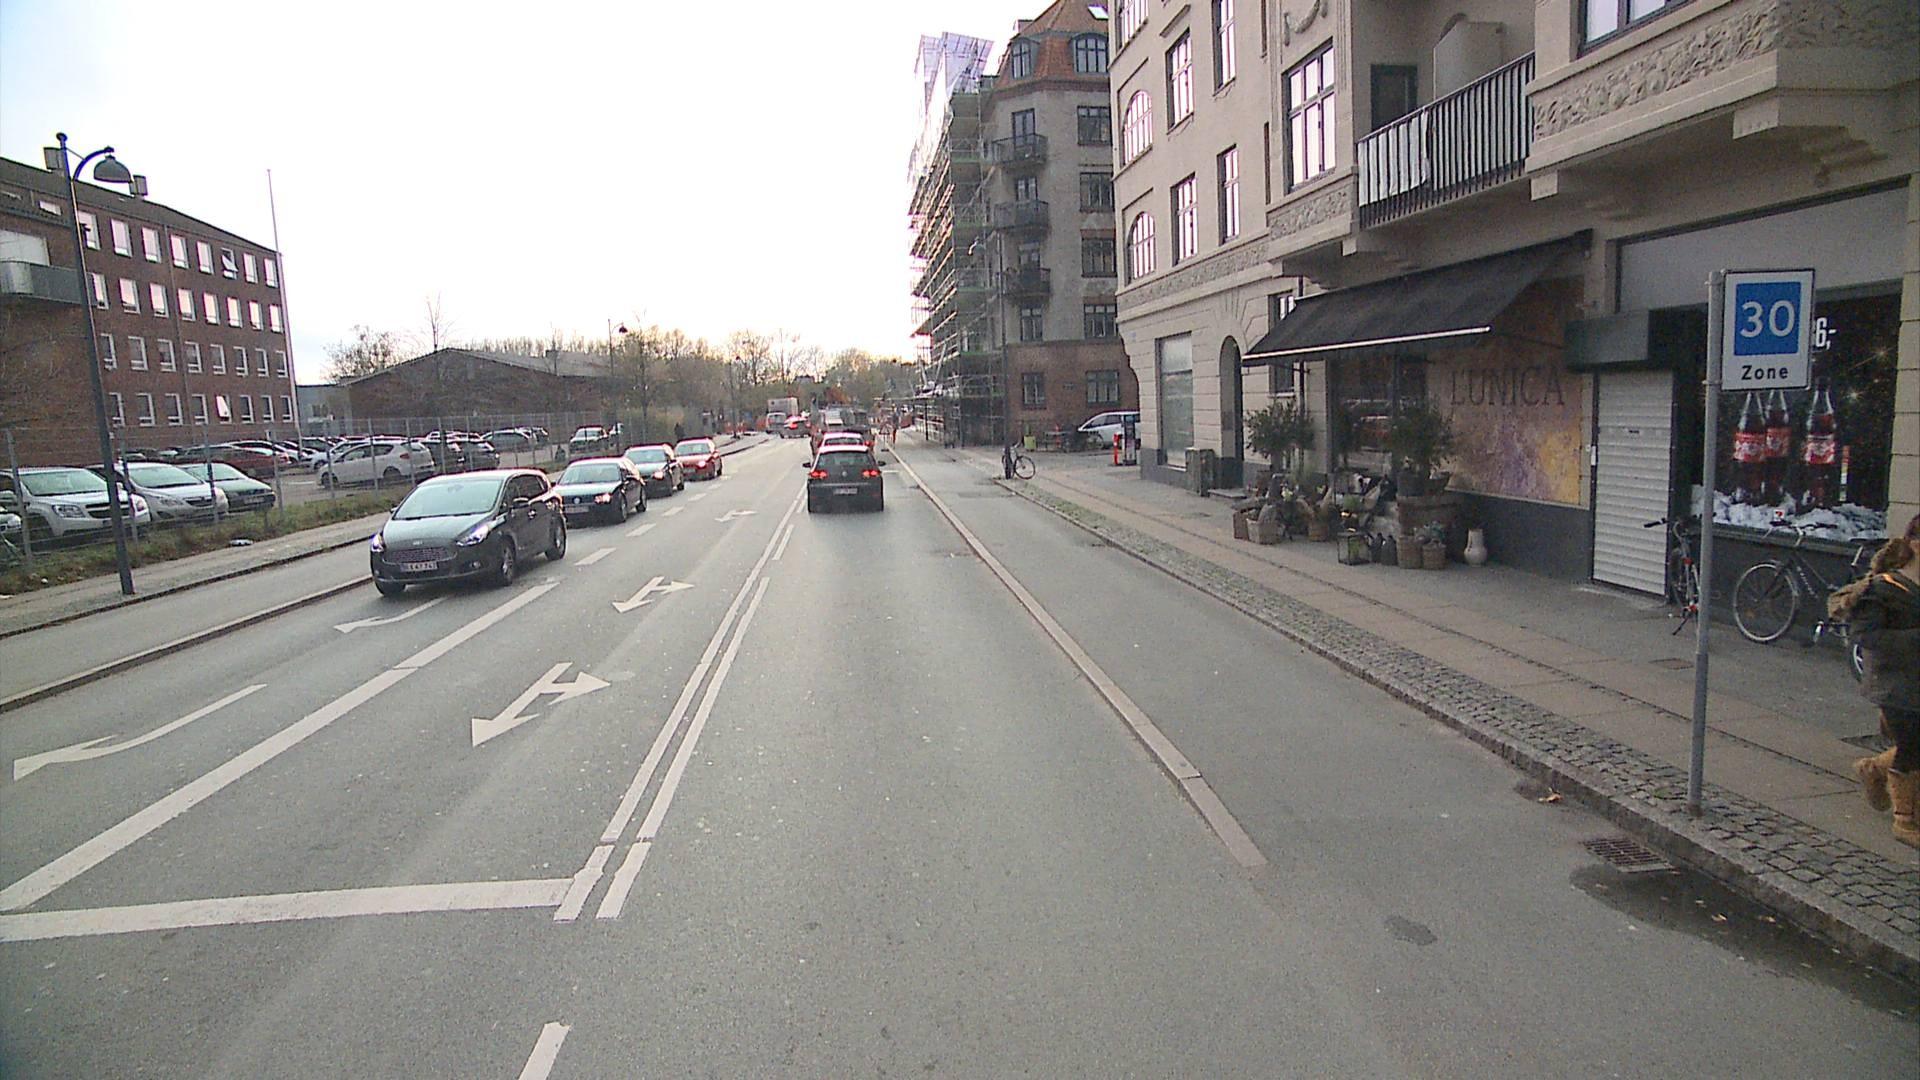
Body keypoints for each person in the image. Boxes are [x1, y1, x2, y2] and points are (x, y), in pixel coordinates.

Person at [1851, 513, 1920, 848]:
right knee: (1913, 746)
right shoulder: (1885, 588)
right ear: (1915, 545)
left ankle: (1875, 769)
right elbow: (1865, 635)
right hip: (1895, 684)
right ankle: (1904, 820)